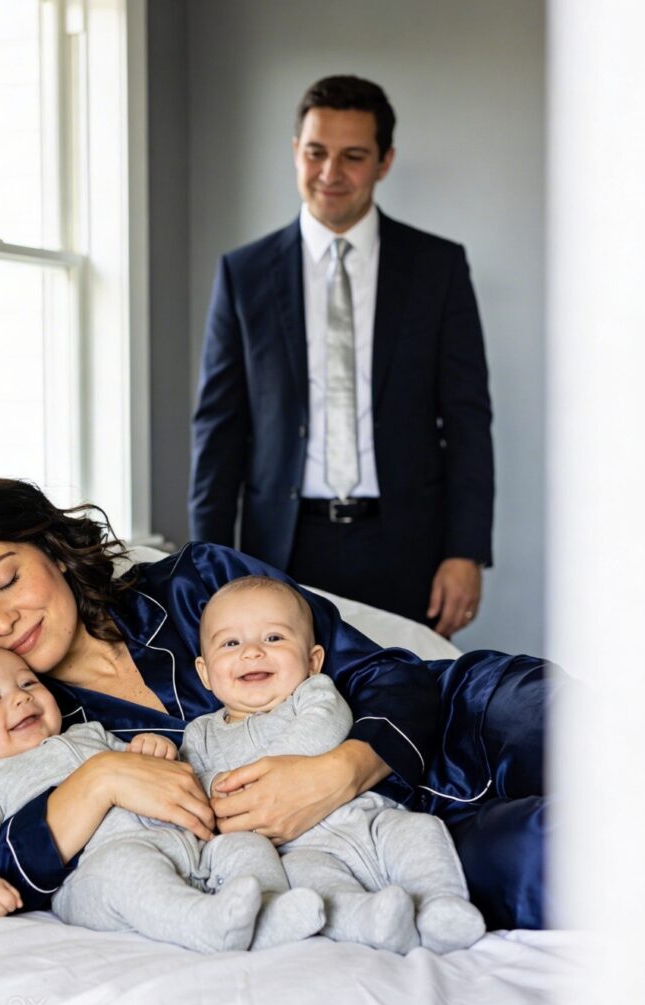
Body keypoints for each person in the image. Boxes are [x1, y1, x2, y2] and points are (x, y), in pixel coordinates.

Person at [0, 475, 545, 932]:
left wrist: (338, 771)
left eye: (7, 580)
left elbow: (388, 674)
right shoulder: (31, 733)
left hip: (469, 717)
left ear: (53, 551)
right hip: (394, 844)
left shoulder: (196, 584)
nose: (1, 621)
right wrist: (99, 780)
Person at [189, 74, 494, 636]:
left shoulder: (438, 268)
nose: (330, 173)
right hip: (281, 549)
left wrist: (465, 551)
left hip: (409, 548)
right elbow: (219, 429)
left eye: (353, 156)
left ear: (384, 161)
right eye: (316, 152)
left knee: (413, 688)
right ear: (295, 152)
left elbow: (468, 419)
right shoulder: (243, 274)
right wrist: (208, 563)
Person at [0, 645, 325, 952]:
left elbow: (150, 770)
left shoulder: (90, 734)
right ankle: (203, 923)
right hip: (95, 874)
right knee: (127, 870)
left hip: (188, 846)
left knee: (245, 845)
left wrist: (154, 750)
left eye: (28, 683)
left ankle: (270, 912)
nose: (20, 698)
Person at [182, 575, 485, 955]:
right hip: (298, 849)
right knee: (315, 889)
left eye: (273, 638)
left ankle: (441, 906)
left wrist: (267, 777)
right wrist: (206, 783)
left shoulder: (312, 694)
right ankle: (371, 921)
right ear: (205, 672)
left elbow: (326, 724)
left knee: (420, 831)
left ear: (313, 661)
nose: (253, 652)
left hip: (369, 818)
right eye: (231, 643)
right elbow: (193, 784)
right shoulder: (200, 734)